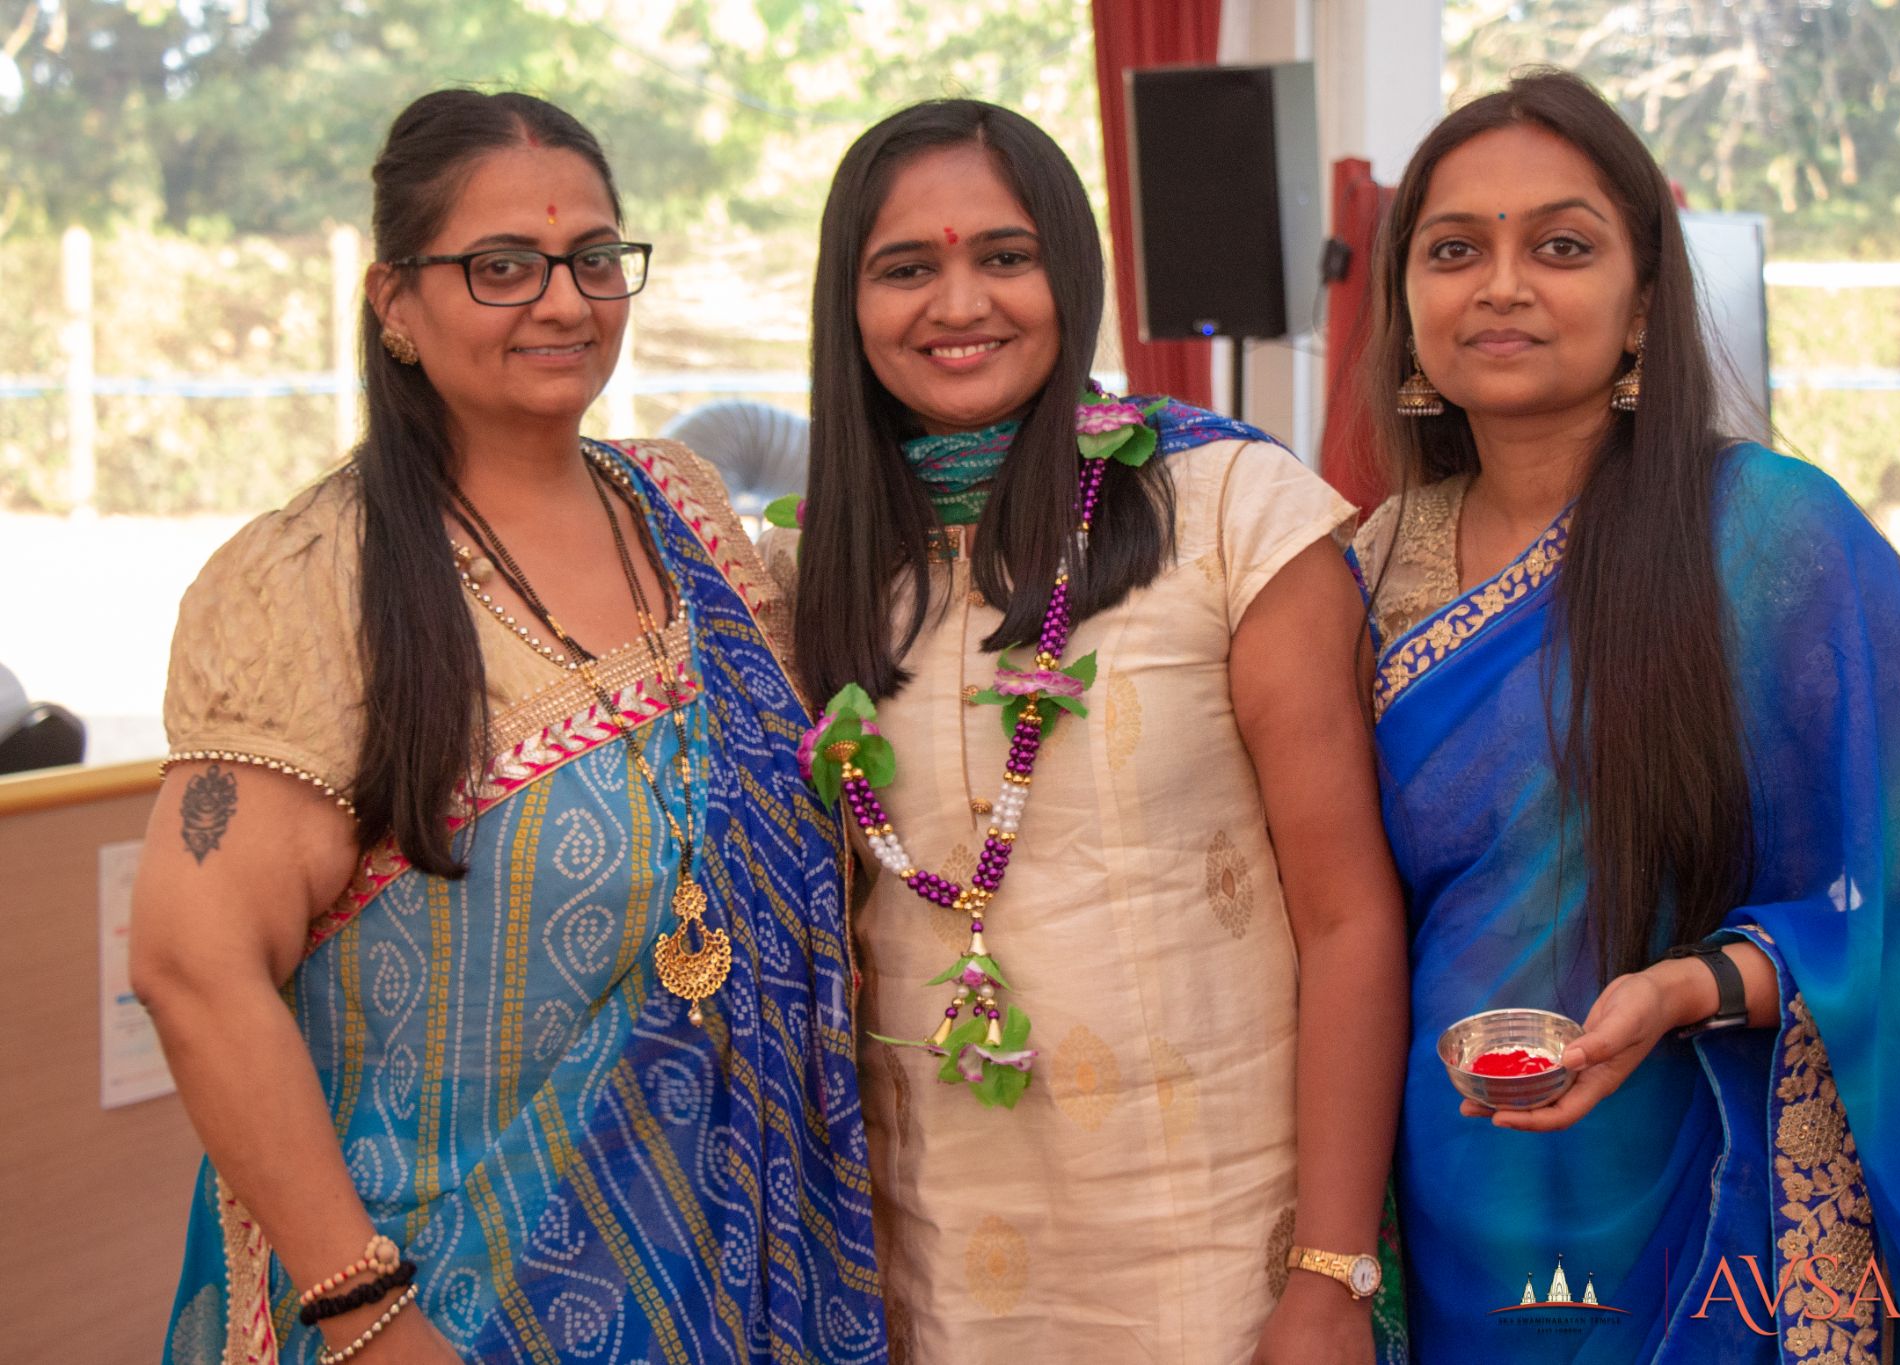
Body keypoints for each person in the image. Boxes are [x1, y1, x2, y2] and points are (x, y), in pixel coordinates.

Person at [131, 90, 885, 1365]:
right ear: (394, 303)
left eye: (595, 257)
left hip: (747, 1278)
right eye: (501, 267)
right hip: (443, 1304)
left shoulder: (686, 508)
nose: (564, 301)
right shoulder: (316, 577)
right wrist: (367, 1312)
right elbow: (191, 968)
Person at [1352, 68, 1900, 1362]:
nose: (1501, 283)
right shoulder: (1362, 570)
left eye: (1560, 244)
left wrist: (1689, 986)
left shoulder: (1778, 538)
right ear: (1405, 302)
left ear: (1643, 308)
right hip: (1440, 1191)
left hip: (1701, 1191)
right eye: (1455, 249)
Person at [759, 99, 1411, 1365]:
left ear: (1072, 270)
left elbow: (1348, 916)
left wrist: (1327, 1275)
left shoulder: (1232, 508)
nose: (959, 304)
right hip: (928, 1267)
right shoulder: (803, 575)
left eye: (1004, 257)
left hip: (1215, 1250)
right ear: (848, 303)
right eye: (906, 269)